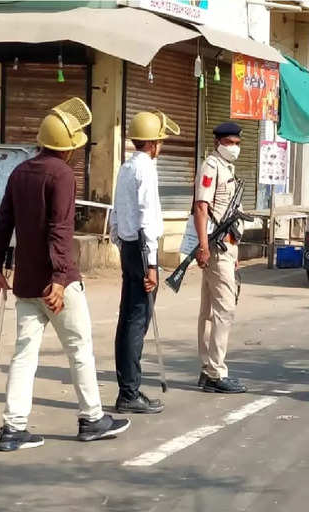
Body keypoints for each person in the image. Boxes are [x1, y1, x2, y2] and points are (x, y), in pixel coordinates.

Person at [0, 97, 130, 451]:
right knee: (79, 348)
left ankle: (12, 428)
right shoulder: (62, 174)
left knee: (24, 354)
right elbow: (60, 229)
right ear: (68, 149)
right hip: (56, 283)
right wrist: (62, 278)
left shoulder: (21, 171)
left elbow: (3, 222)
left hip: (26, 283)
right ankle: (92, 418)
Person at [110, 111, 180, 413]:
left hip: (127, 245)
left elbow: (117, 210)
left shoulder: (126, 167)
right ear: (153, 143)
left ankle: (127, 386)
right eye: (160, 141)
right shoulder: (147, 169)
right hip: (141, 249)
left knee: (127, 317)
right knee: (138, 319)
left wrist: (119, 240)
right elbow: (148, 217)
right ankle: (129, 392)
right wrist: (151, 263)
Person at [194, 122, 247, 393]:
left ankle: (208, 369)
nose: (234, 148)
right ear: (217, 143)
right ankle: (215, 371)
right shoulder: (211, 167)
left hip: (227, 246)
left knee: (209, 311)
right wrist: (203, 246)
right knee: (224, 309)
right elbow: (201, 208)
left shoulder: (228, 168)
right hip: (215, 247)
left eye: (237, 143)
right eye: (229, 143)